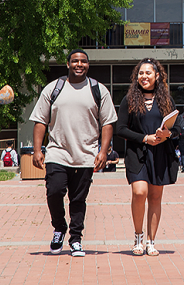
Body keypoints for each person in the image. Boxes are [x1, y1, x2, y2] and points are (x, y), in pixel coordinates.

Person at [30, 49, 117, 257]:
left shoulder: (98, 89)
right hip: (57, 153)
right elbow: (41, 120)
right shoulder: (54, 88)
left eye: (84, 61)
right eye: (75, 61)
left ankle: (76, 239)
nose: (80, 64)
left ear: (88, 65)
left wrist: (103, 151)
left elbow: (108, 123)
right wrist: (36, 150)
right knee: (54, 192)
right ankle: (59, 227)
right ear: (67, 64)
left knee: (78, 200)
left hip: (86, 155)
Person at [115, 58, 180, 257]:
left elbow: (176, 128)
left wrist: (167, 134)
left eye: (148, 73)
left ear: (157, 76)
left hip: (160, 153)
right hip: (137, 152)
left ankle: (151, 241)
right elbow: (121, 129)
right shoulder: (129, 99)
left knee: (155, 196)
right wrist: (144, 137)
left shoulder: (166, 99)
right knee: (140, 192)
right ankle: (138, 237)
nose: (144, 77)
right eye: (140, 73)